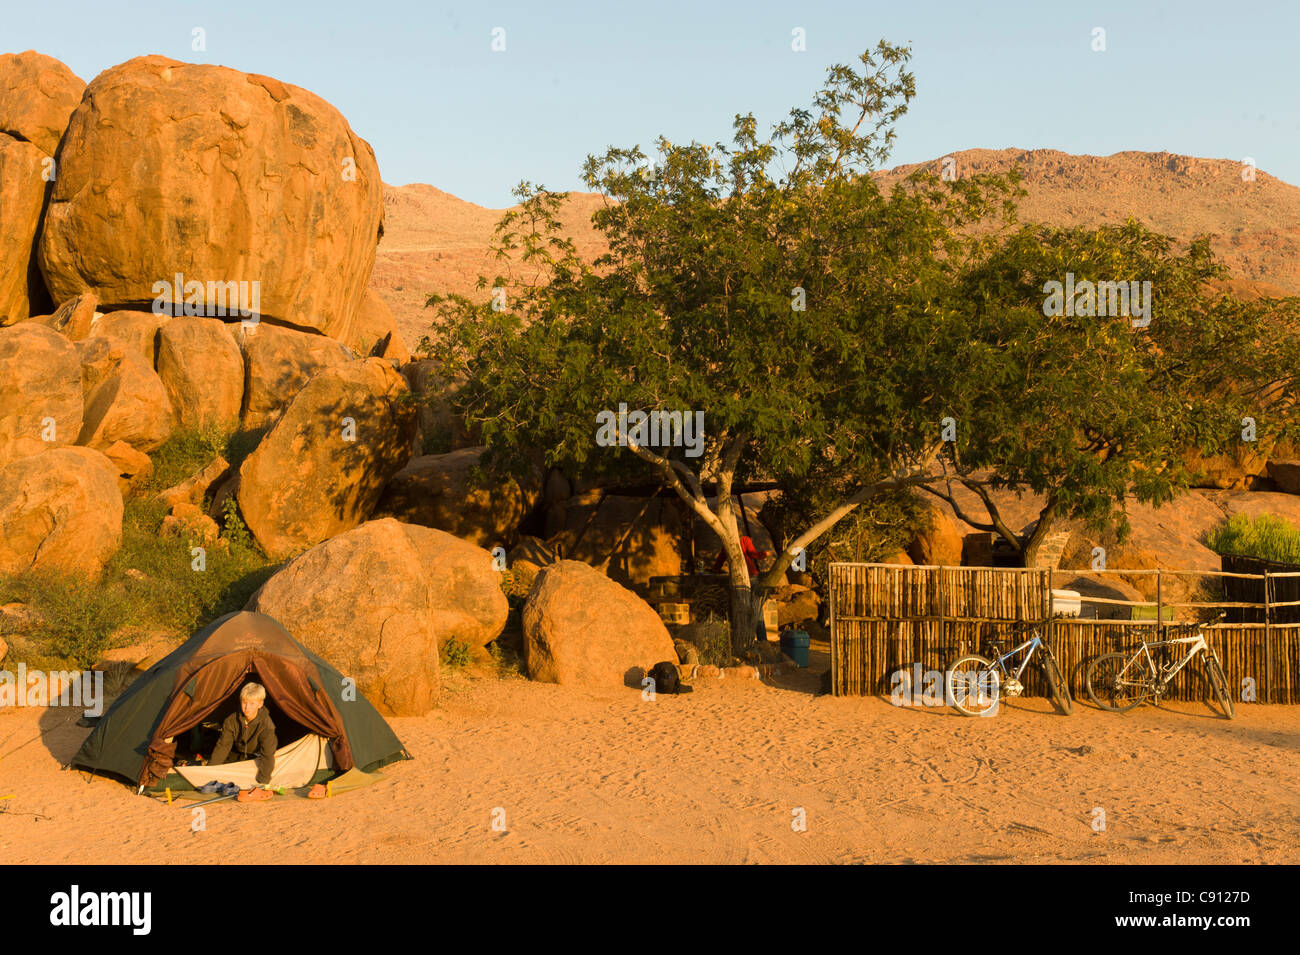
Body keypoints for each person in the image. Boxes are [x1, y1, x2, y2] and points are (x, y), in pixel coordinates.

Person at [206, 682, 277, 802]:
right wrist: (209, 772)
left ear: (260, 704)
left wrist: (262, 784)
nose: (247, 707)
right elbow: (223, 747)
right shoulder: (231, 721)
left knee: (264, 771)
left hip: (257, 757)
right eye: (244, 703)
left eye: (252, 703)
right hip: (237, 754)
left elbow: (268, 755)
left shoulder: (267, 725)